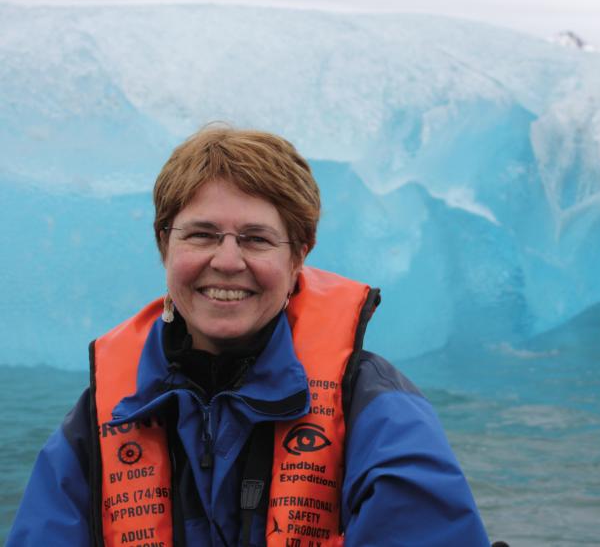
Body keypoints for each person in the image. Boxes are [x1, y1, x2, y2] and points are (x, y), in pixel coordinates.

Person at [9, 126, 490, 546]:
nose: (227, 261)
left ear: (298, 256)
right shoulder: (97, 421)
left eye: (256, 239)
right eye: (201, 235)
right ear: (164, 245)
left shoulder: (374, 409)